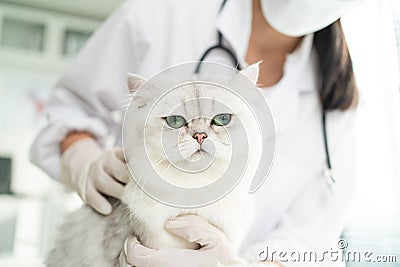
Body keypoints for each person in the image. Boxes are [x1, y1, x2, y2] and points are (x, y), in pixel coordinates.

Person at [30, 0, 363, 266]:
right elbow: (70, 107)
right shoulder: (166, 10)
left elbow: (311, 240)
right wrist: (83, 159)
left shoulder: (339, 101)